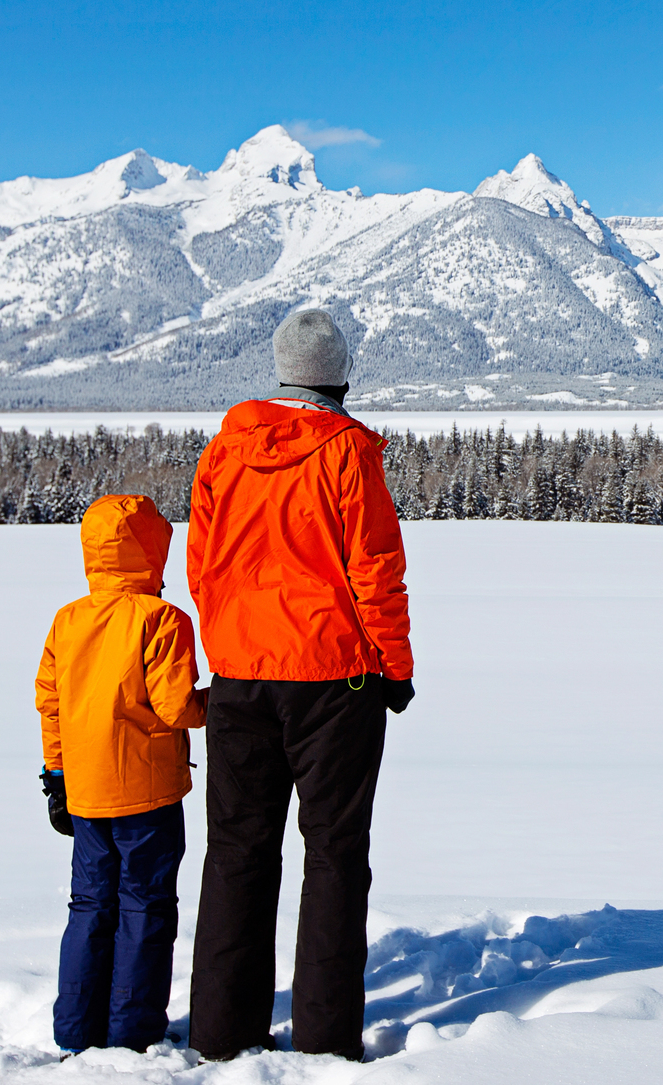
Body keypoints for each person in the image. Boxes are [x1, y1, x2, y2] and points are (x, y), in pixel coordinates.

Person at [185, 309, 415, 1062]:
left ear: (282, 370)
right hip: (333, 681)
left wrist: (229, 649)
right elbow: (374, 567)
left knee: (236, 854)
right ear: (340, 374)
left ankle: (222, 1033)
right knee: (335, 857)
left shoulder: (225, 451)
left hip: (241, 677)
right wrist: (396, 667)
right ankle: (323, 1040)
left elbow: (203, 564)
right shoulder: (349, 452)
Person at [34, 493, 209, 1054]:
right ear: (153, 549)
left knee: (89, 905)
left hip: (85, 793)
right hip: (148, 794)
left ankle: (77, 1030)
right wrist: (221, 701)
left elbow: (51, 704)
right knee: (146, 907)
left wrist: (56, 775)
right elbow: (178, 706)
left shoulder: (68, 620)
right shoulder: (162, 619)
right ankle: (132, 1032)